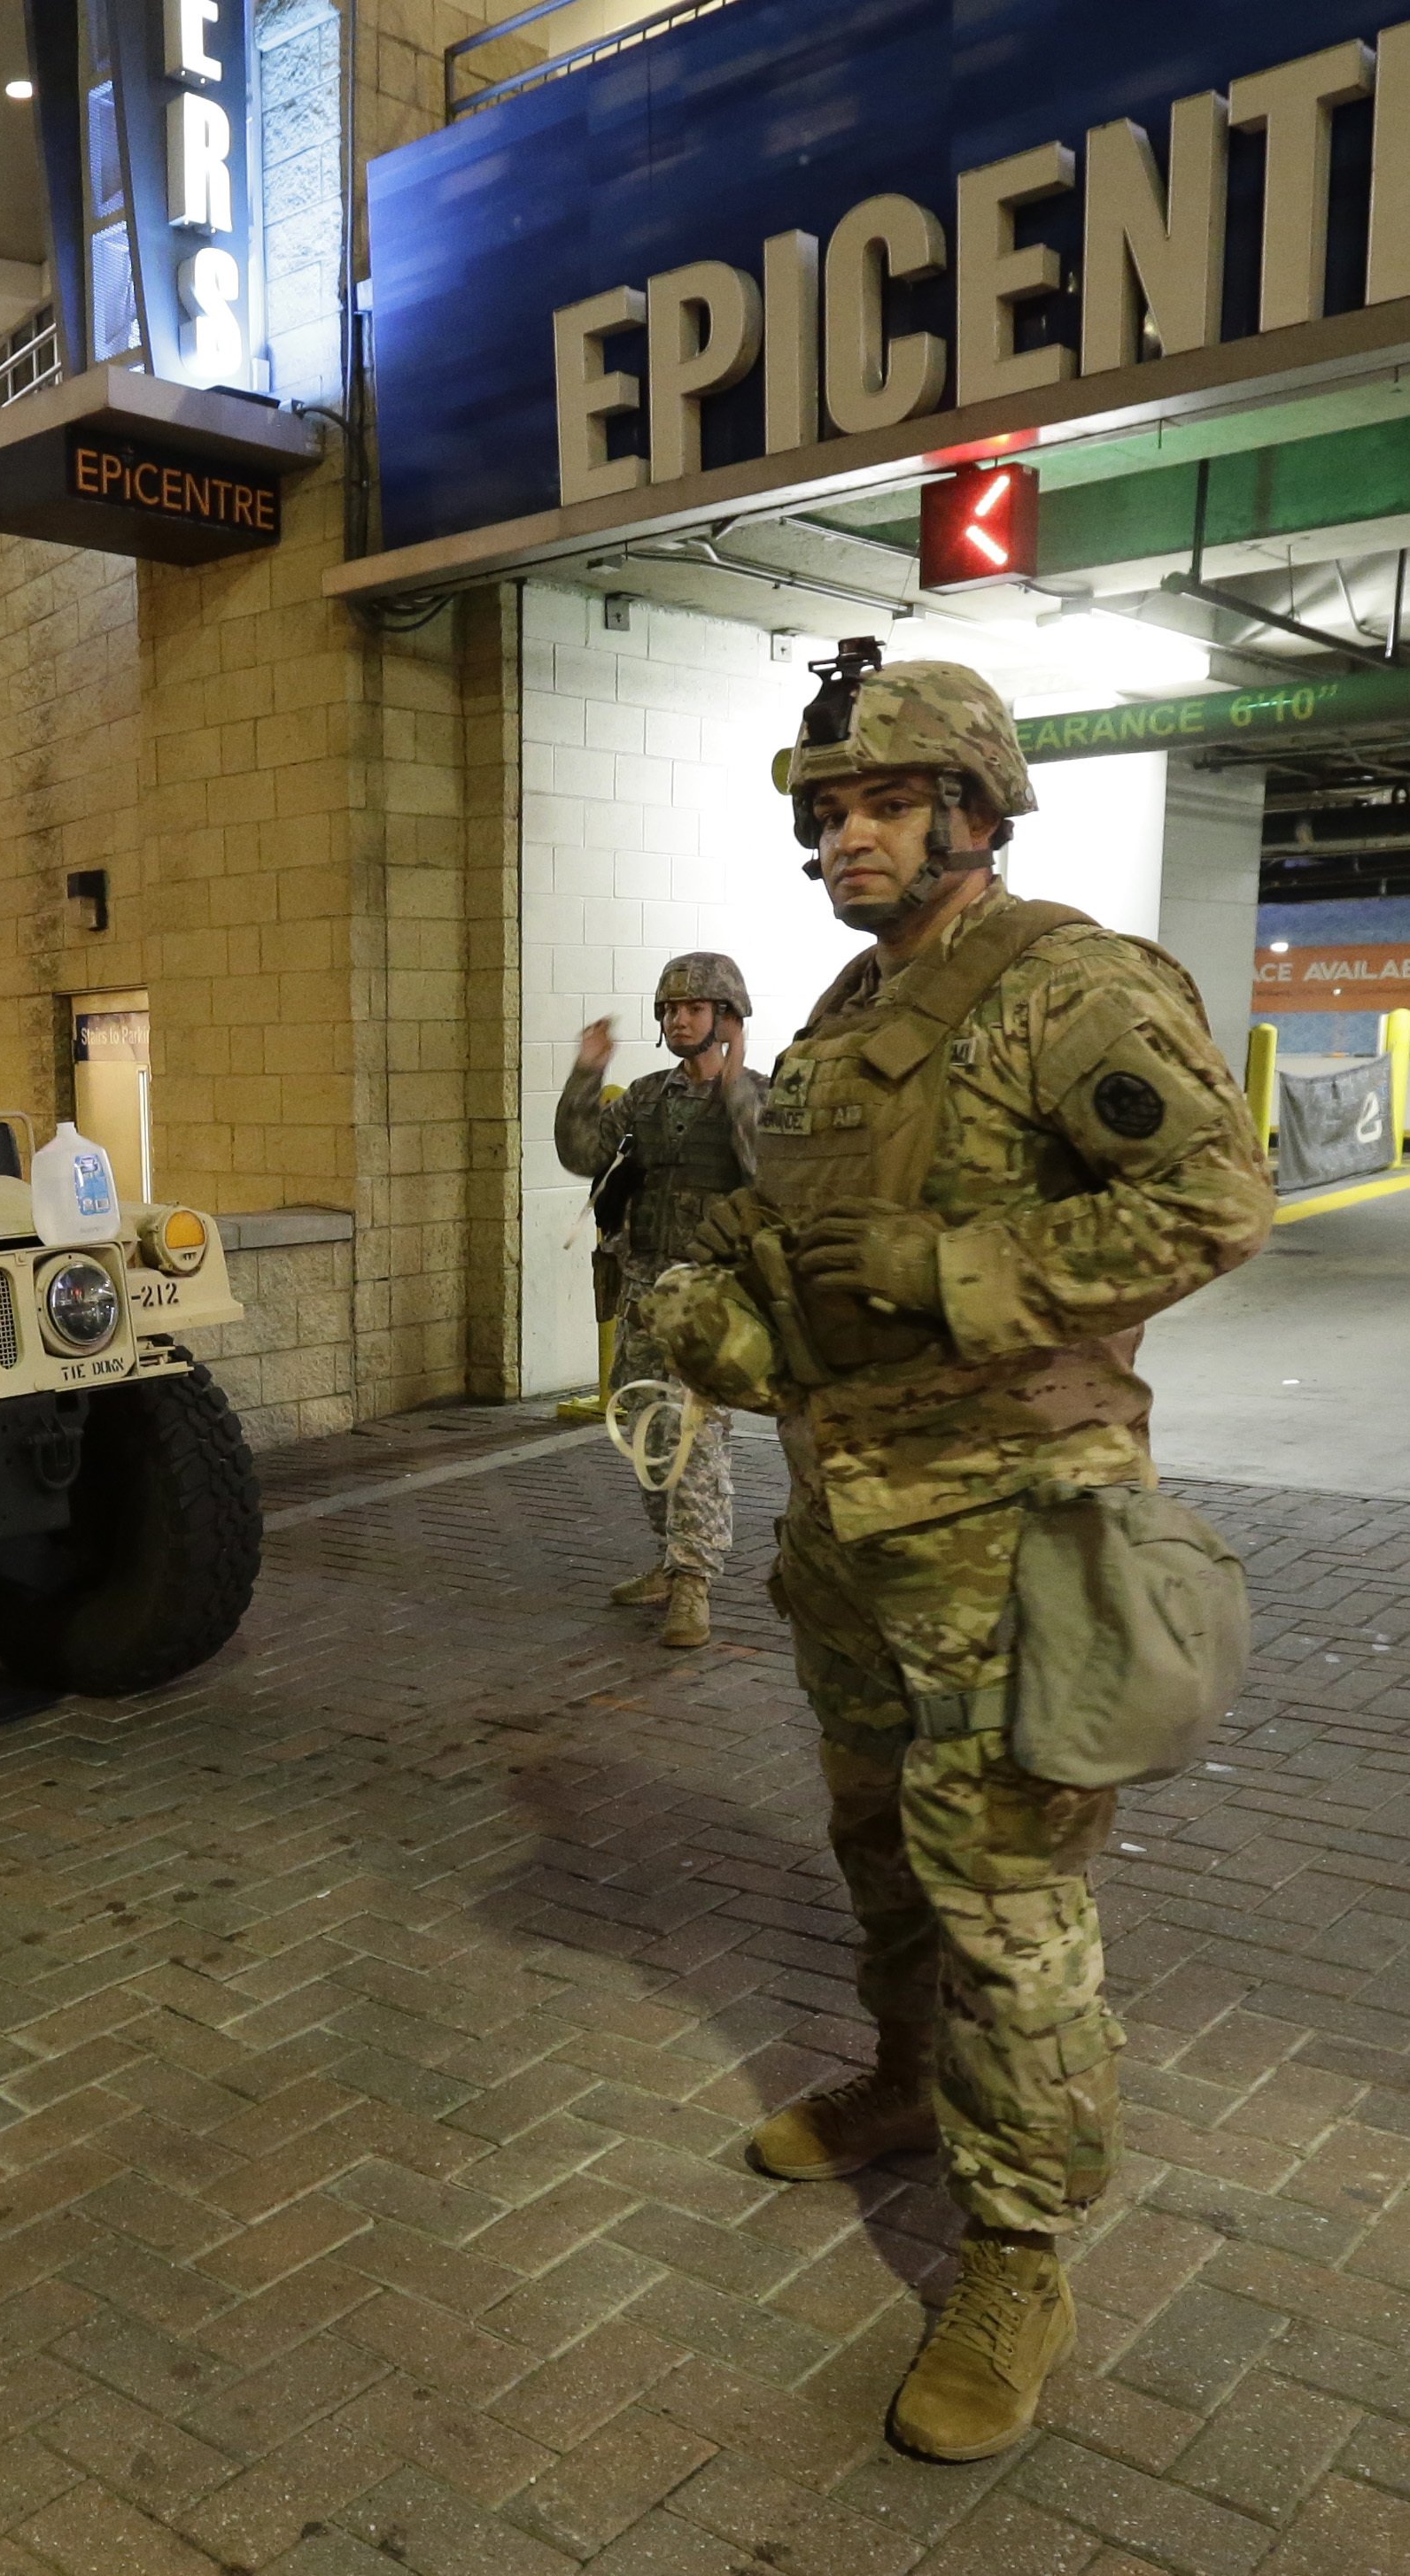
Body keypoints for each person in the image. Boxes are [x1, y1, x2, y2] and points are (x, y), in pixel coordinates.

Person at [645, 655, 1271, 2461]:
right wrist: (721, 1309)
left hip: (1014, 1536)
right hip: (853, 1527)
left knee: (1010, 1903)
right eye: (823, 809)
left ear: (972, 809)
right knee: (879, 1843)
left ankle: (1016, 2250)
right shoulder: (850, 1008)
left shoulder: (1068, 983)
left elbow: (1212, 1199)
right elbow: (805, 1243)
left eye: (874, 800)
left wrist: (948, 1276)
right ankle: (907, 2084)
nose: (837, 831)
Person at [554, 952, 765, 1648]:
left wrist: (733, 1083)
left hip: (711, 1292)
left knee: (693, 1428)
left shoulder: (760, 1093)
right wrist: (587, 1073)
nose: (678, 1018)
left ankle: (694, 1578)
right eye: (670, 1009)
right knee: (642, 1421)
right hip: (645, 1283)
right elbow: (583, 1152)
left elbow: (767, 1168)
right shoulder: (646, 1095)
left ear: (727, 1017)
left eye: (694, 1008)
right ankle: (669, 1560)